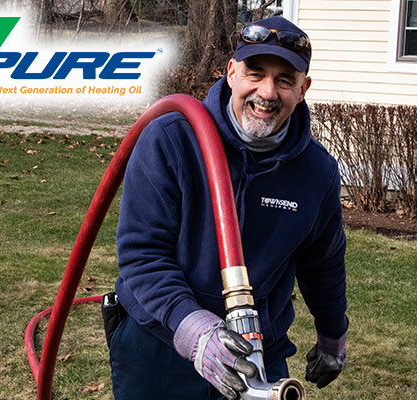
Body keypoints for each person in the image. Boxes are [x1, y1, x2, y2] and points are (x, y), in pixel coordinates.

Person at [107, 16, 348, 400]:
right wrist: (193, 330)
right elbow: (142, 254)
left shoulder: (315, 172)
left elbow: (324, 262)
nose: (267, 92)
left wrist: (333, 336)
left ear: (303, 90)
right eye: (255, 73)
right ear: (231, 72)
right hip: (161, 344)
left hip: (258, 350)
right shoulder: (171, 140)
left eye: (285, 80)